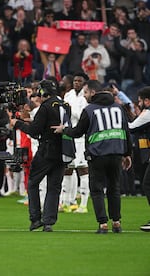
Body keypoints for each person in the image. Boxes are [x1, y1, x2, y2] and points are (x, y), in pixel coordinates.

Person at [52, 80, 132, 234]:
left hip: (97, 154)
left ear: (93, 93)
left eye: (86, 92)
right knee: (114, 188)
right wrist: (127, 154)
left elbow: (77, 132)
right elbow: (126, 131)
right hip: (116, 153)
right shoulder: (118, 108)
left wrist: (64, 130)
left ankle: (103, 224)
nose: (85, 95)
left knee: (96, 190)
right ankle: (116, 223)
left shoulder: (90, 110)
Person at [10, 80, 67, 232]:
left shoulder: (45, 107)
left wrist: (18, 123)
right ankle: (49, 222)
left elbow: (35, 132)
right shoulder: (65, 105)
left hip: (47, 150)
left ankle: (35, 218)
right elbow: (50, 124)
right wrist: (32, 121)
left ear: (43, 92)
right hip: (63, 151)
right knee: (54, 187)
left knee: (33, 182)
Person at [61, 72, 90, 214]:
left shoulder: (85, 97)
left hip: (82, 136)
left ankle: (83, 204)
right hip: (69, 135)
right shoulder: (68, 95)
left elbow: (82, 115)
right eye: (75, 81)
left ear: (84, 83)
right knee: (68, 167)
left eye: (79, 81)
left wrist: (71, 111)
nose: (76, 83)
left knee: (83, 168)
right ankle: (68, 202)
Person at [127, 87, 150, 232]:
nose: (139, 103)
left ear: (147, 101)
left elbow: (131, 127)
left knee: (148, 184)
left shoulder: (148, 113)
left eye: (140, 100)